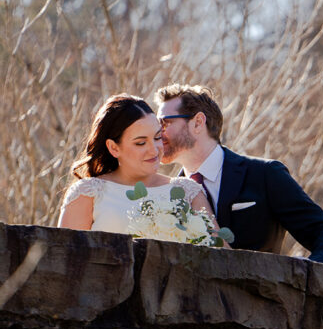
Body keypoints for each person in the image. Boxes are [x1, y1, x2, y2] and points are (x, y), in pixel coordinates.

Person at [154, 84, 323, 265]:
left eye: (165, 122)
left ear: (198, 123)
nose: (157, 132)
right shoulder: (165, 193)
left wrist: (307, 280)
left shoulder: (264, 175)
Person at [59, 94, 220, 236]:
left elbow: (222, 258)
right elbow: (66, 261)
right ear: (114, 148)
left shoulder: (188, 192)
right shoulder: (87, 194)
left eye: (157, 138)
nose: (154, 150)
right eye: (141, 143)